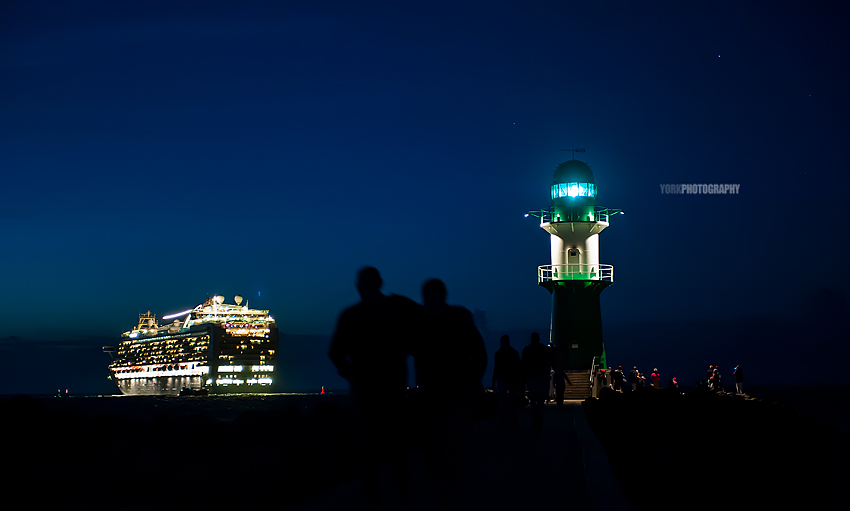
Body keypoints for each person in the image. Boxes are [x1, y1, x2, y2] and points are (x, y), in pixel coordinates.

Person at [327, 267, 420, 504]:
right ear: (380, 282)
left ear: (359, 286)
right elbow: (417, 341)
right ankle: (403, 494)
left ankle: (372, 497)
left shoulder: (351, 314)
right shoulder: (398, 308)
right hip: (393, 388)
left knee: (367, 447)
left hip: (364, 390)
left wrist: (350, 372)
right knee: (398, 445)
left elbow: (335, 352)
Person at [415, 278, 487, 476]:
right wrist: (474, 381)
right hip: (452, 391)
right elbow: (479, 352)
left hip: (439, 392)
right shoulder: (459, 317)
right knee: (451, 443)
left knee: (439, 443)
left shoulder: (420, 320)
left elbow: (479, 353)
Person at [522, 332, 551, 429]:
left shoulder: (527, 350)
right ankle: (540, 418)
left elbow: (524, 365)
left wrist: (524, 379)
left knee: (533, 399)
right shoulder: (544, 349)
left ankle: (535, 417)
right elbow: (548, 363)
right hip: (541, 377)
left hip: (531, 377)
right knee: (540, 400)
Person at [492, 334, 522, 428]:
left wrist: (493, 381)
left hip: (503, 380)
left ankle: (503, 421)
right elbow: (518, 367)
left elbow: (496, 368)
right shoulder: (514, 353)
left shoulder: (498, 353)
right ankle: (513, 420)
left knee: (502, 402)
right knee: (513, 401)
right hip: (512, 380)